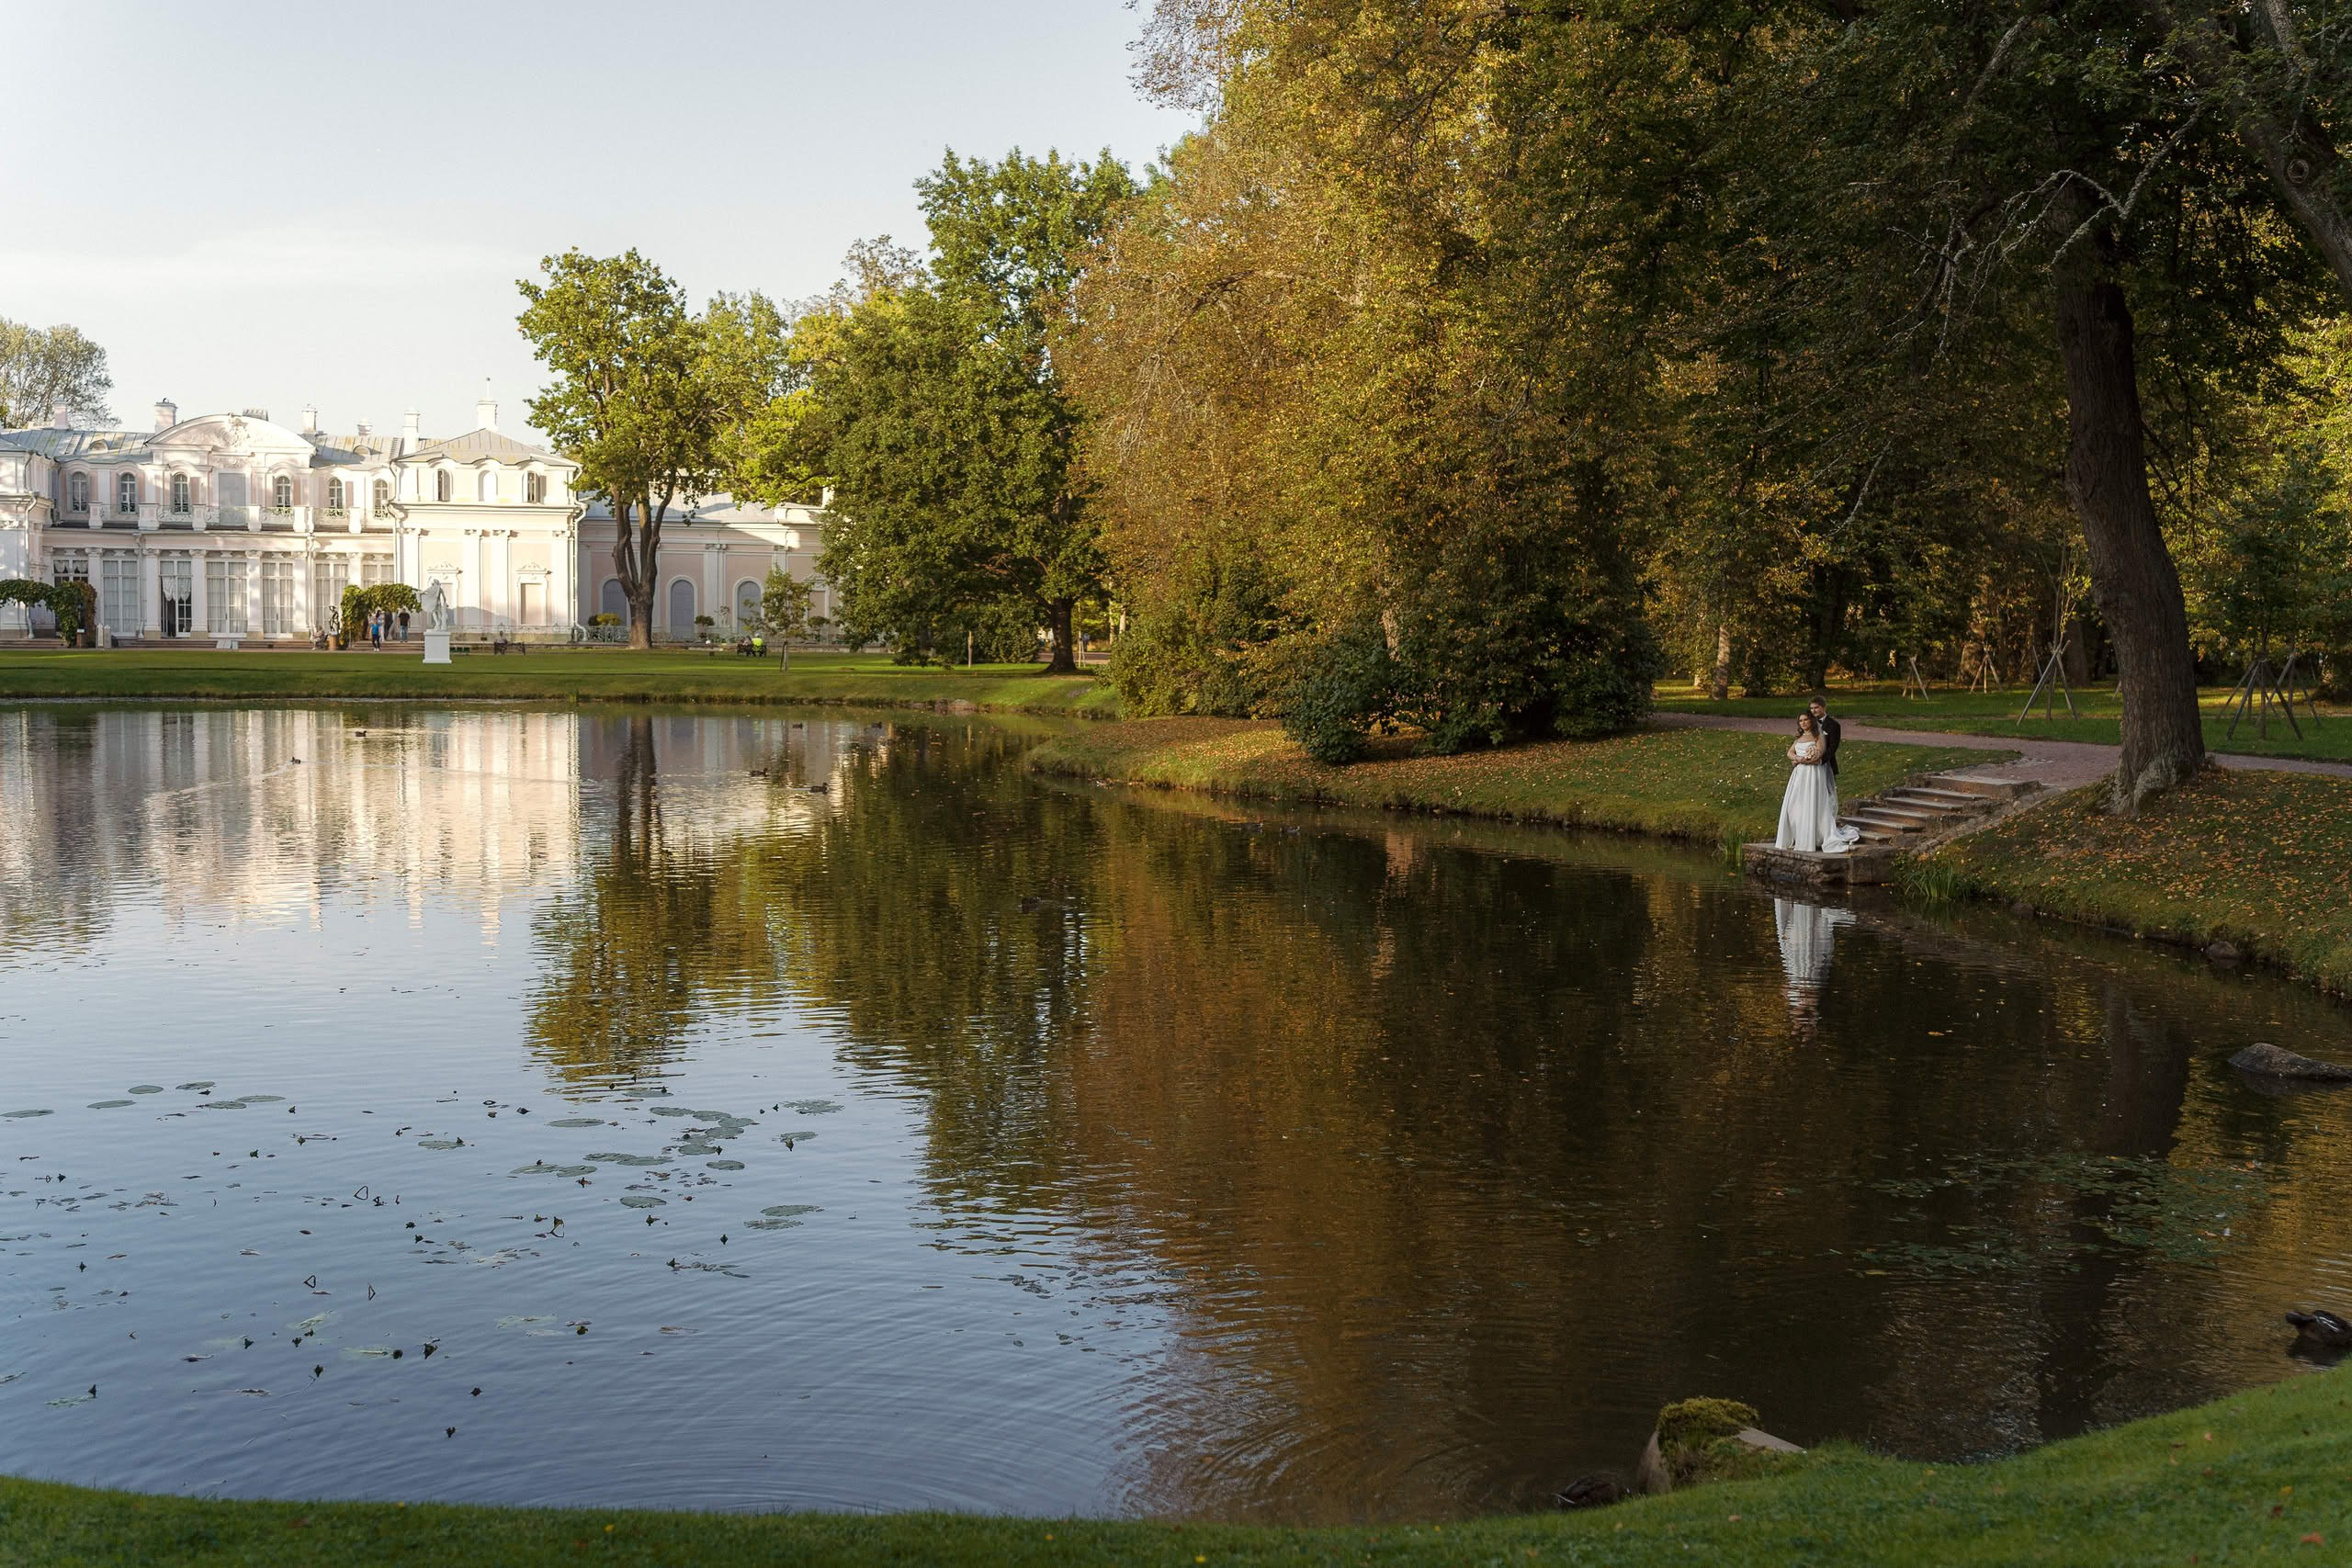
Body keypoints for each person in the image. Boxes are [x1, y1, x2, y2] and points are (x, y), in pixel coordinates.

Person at [1774, 711, 1860, 852]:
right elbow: (1789, 752)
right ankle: (1800, 835)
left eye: (1806, 720)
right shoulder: (1799, 737)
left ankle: (1814, 837)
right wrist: (1797, 758)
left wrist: (1807, 759)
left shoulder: (1819, 736)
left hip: (1813, 773)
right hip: (1799, 774)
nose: (1803, 723)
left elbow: (1820, 753)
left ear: (1811, 721)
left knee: (1813, 802)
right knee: (1795, 805)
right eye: (1800, 721)